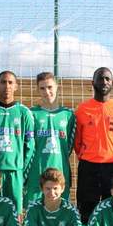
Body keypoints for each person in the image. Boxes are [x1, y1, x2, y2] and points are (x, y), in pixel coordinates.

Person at [74, 67, 113, 224]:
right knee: (86, 206)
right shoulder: (82, 110)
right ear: (93, 83)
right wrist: (86, 155)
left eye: (108, 79)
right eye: (101, 78)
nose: (104, 81)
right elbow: (77, 140)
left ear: (112, 83)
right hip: (88, 166)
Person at [0, 70, 35, 215]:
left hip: (15, 172)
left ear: (16, 86)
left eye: (10, 82)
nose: (7, 86)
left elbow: (30, 145)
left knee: (16, 213)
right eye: (3, 82)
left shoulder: (24, 112)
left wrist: (21, 169)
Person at [25, 72, 76, 206]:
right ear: (37, 90)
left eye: (50, 87)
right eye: (42, 88)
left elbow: (69, 145)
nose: (47, 92)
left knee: (60, 211)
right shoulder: (31, 114)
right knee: (33, 211)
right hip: (36, 171)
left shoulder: (68, 115)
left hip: (60, 169)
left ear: (57, 87)